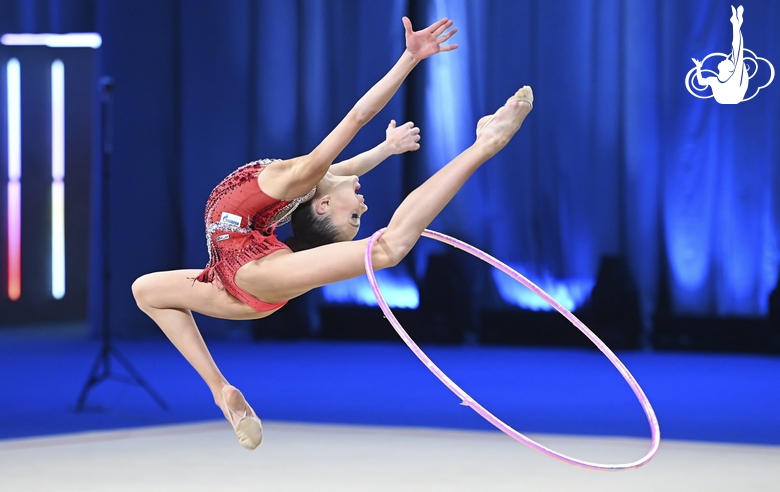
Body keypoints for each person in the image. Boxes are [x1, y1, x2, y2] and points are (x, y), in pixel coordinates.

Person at [132, 16, 534, 450]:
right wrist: (385, 149)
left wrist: (409, 59)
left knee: (392, 247)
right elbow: (347, 171)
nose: (363, 204)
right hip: (238, 279)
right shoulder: (298, 191)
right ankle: (220, 390)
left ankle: (485, 145)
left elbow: (359, 117)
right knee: (145, 291)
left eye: (354, 216)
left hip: (249, 272)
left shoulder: (299, 178)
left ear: (320, 206)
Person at [692, 5, 748, 104]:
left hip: (733, 96)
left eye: (727, 61)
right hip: (727, 97)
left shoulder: (734, 78)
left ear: (729, 69)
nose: (725, 59)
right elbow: (701, 82)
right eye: (728, 60)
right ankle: (736, 24)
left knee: (737, 51)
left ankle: (736, 24)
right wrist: (698, 67)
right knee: (737, 52)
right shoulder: (714, 80)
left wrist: (736, 26)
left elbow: (738, 49)